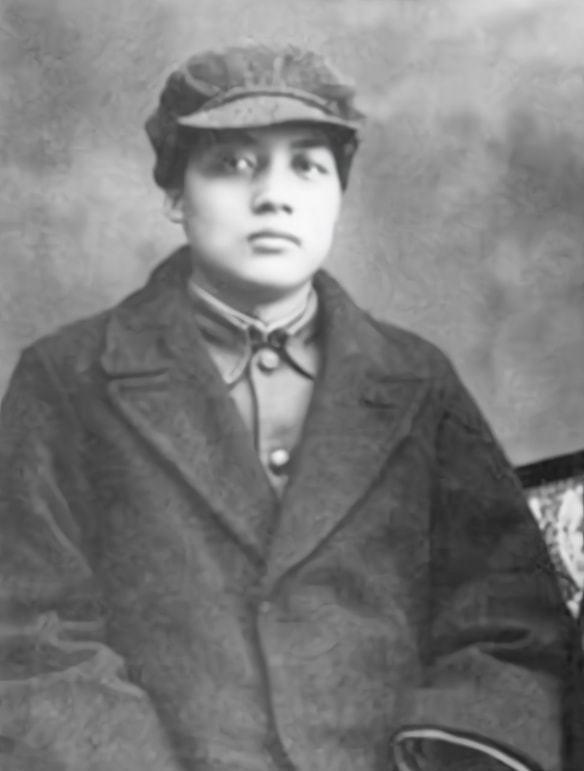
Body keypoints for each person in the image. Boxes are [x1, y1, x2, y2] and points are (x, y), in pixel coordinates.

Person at [0, 43, 578, 771]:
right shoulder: (67, 380)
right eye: (232, 163)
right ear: (175, 194)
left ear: (338, 196)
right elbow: (31, 637)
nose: (274, 195)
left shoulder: (417, 381)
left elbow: (509, 623)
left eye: (307, 166)